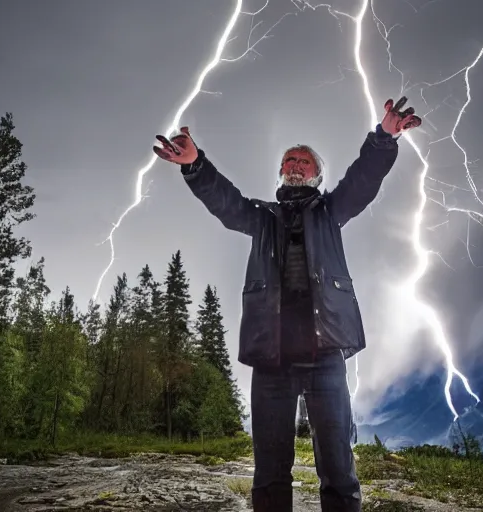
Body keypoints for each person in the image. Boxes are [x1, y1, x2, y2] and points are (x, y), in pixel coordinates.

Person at [153, 97, 421, 512]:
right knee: (270, 470)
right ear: (281, 172)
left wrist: (384, 138)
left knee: (338, 465)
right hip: (271, 357)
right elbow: (226, 203)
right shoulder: (261, 217)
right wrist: (195, 165)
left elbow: (363, 180)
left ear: (317, 174)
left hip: (326, 353)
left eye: (304, 161)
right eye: (289, 161)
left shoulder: (332, 211)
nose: (295, 165)